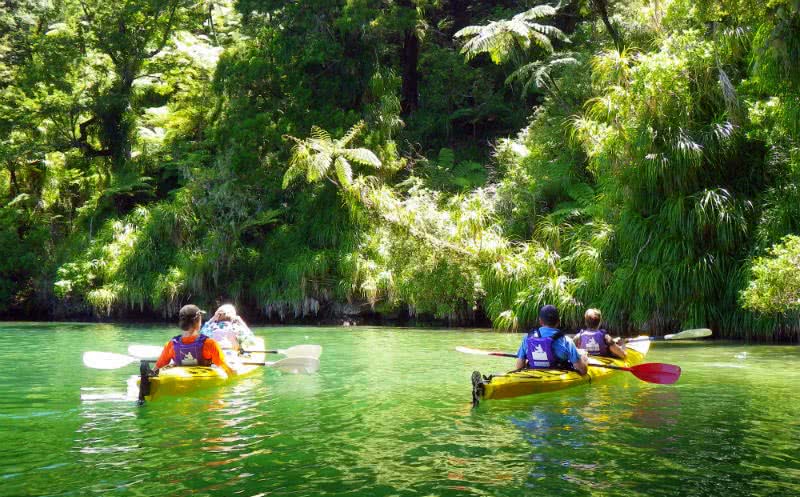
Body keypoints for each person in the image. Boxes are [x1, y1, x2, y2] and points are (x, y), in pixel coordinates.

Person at [153, 304, 234, 376]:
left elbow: (157, 368)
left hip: (180, 379)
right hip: (202, 380)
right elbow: (226, 367)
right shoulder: (209, 343)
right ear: (198, 323)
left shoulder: (171, 344)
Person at [515, 304, 588, 375]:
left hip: (533, 374)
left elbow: (519, 366)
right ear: (558, 322)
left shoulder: (528, 338)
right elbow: (582, 370)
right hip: (557, 376)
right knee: (582, 355)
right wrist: (583, 357)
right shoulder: (566, 341)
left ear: (540, 321)